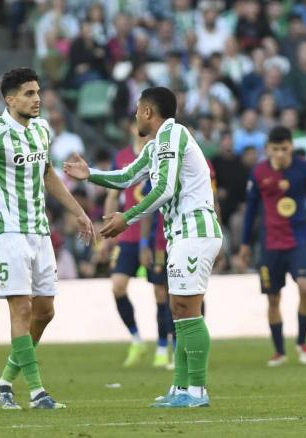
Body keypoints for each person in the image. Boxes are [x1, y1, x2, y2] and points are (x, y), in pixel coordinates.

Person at [63, 86, 222, 408]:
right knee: (178, 310)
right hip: (181, 233)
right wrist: (89, 174)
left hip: (195, 230)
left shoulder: (173, 133)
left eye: (138, 109)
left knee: (188, 310)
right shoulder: (156, 145)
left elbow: (163, 188)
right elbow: (126, 177)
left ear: (148, 111)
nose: (135, 115)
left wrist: (128, 218)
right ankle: (180, 388)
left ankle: (198, 391)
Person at [0, 68, 95, 410]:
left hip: (40, 231)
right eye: (29, 94)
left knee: (45, 312)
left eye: (38, 92)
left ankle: (3, 384)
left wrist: (79, 212)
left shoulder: (43, 130)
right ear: (9, 99)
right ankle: (37, 392)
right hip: (8, 231)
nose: (37, 99)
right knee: (22, 308)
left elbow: (48, 176)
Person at [238, 126, 306, 367]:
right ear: (268, 149)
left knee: (305, 286)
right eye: (275, 149)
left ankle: (302, 341)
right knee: (273, 299)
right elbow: (250, 212)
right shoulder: (259, 172)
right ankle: (279, 351)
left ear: (291, 146)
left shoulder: (304, 168)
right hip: (270, 244)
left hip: (298, 241)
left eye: (284, 148)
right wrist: (245, 243)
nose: (279, 154)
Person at [100, 126, 173, 368]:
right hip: (127, 232)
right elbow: (113, 194)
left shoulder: (159, 152)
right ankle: (136, 339)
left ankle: (162, 347)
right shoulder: (121, 157)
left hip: (153, 233)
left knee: (160, 292)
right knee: (117, 287)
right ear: (131, 128)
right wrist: (104, 234)